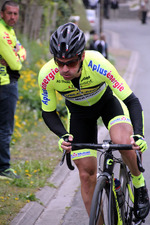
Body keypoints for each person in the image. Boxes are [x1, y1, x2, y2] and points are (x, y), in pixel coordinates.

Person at [38, 23, 149, 221]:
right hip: (79, 114)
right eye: (59, 62)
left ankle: (139, 185)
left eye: (71, 63)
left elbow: (131, 100)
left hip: (107, 105)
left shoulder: (99, 63)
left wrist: (138, 134)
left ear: (81, 56)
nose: (64, 69)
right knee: (85, 176)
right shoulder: (47, 75)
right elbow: (48, 112)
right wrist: (62, 135)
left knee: (123, 141)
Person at [0, 1, 26, 180]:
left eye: (15, 14)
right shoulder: (2, 33)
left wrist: (16, 54)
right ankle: (4, 168)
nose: (13, 17)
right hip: (6, 84)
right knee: (5, 129)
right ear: (2, 14)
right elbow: (16, 63)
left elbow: (22, 52)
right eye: (9, 13)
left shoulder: (10, 31)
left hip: (8, 83)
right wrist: (16, 56)